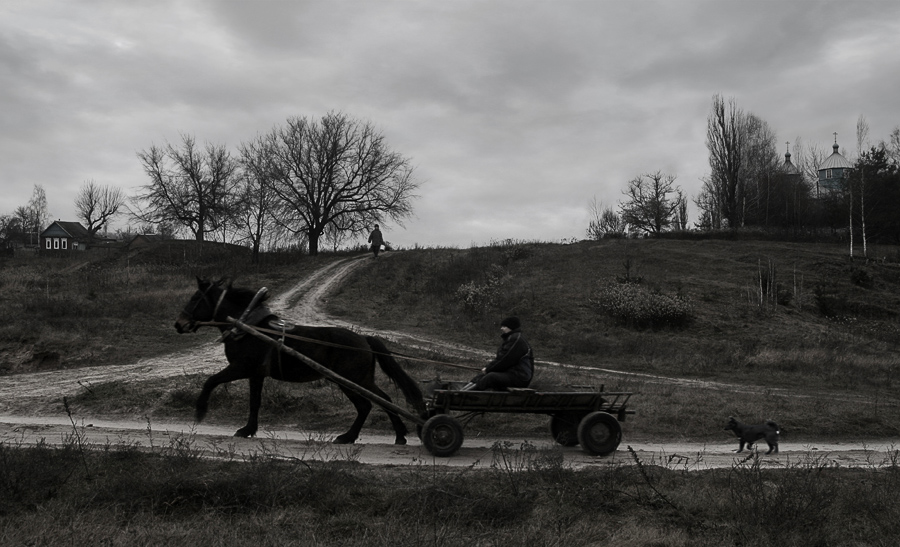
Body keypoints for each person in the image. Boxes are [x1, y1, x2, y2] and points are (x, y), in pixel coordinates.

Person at [462, 316, 534, 391]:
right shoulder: (512, 338)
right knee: (481, 376)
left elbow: (505, 360)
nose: (501, 328)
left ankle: (467, 395)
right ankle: (462, 392)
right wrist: (488, 368)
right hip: (511, 373)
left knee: (490, 377)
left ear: (511, 327)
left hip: (520, 377)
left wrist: (489, 369)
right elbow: (501, 359)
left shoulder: (516, 340)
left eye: (504, 326)